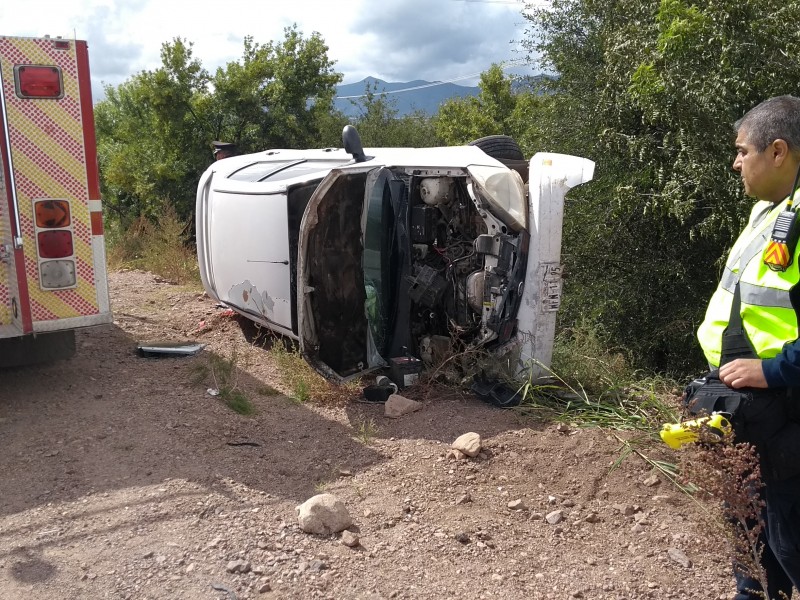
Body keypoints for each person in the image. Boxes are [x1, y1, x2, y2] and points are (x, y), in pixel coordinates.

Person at [697, 95, 800, 599]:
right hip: (754, 413)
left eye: (743, 151)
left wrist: (774, 370)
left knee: (787, 544)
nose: (736, 162)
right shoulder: (771, 211)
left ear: (778, 152)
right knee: (751, 541)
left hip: (788, 411)